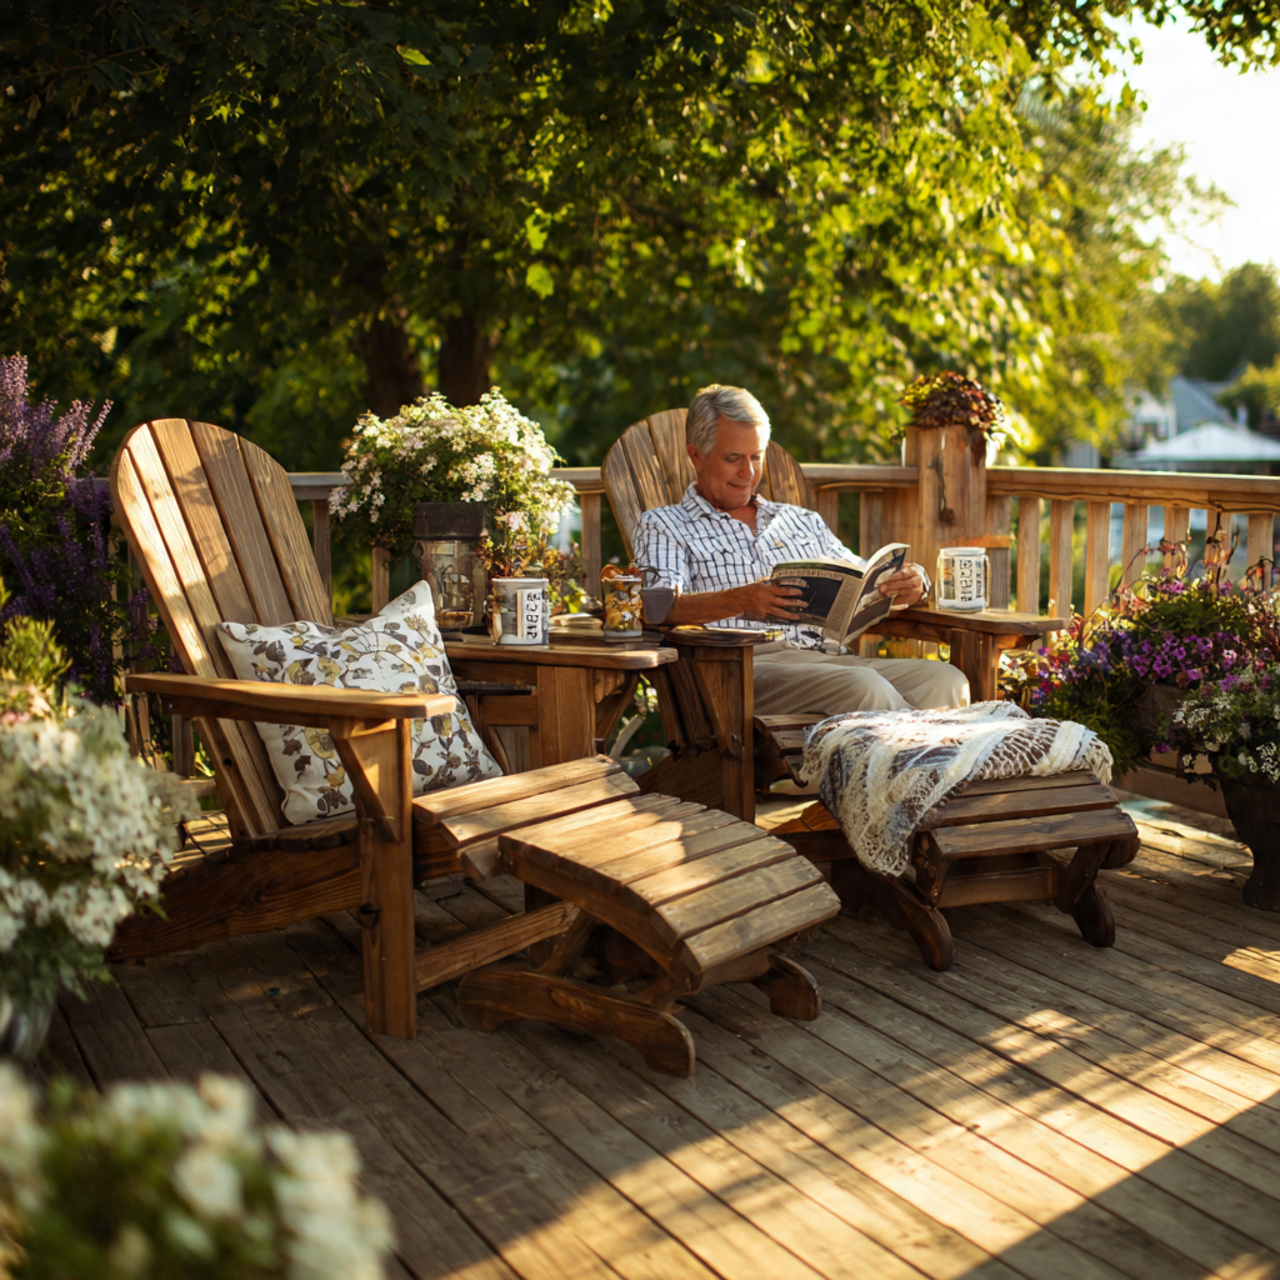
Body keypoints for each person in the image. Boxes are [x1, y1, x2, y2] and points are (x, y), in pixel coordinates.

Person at [631, 384, 970, 717]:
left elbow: (864, 577)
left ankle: (930, 769)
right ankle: (918, 766)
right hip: (745, 671)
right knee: (865, 686)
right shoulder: (665, 525)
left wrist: (909, 582)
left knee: (945, 680)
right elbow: (657, 606)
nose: (747, 473)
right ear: (696, 455)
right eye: (733, 458)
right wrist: (743, 599)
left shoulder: (800, 520)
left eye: (756, 457)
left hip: (831, 662)